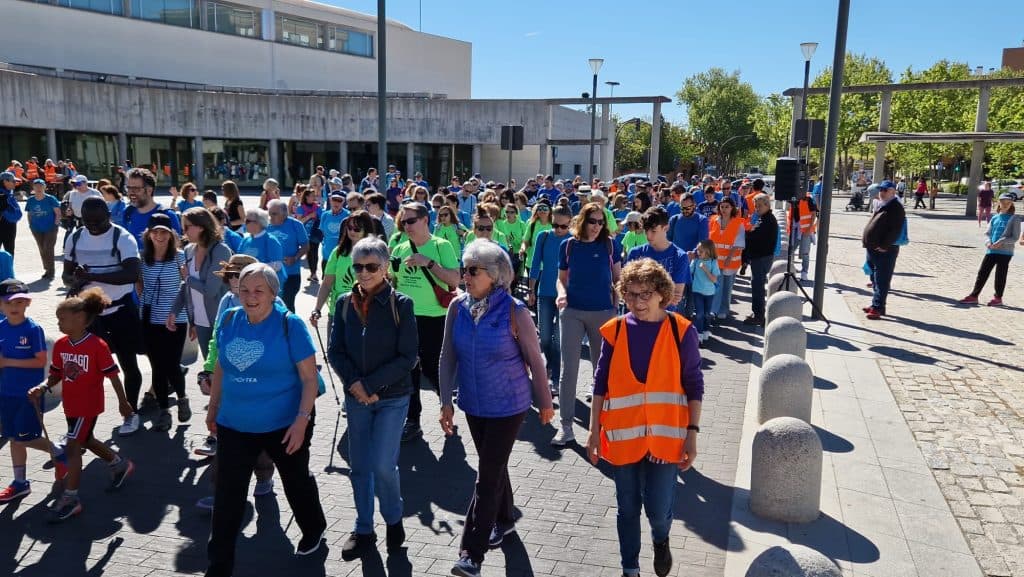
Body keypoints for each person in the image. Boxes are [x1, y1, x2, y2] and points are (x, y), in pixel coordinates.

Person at [439, 240, 554, 576]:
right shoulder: (457, 308)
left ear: (495, 274)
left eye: (473, 270)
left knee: (487, 476)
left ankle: (470, 554)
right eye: (464, 269)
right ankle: (503, 519)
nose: (465, 275)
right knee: (495, 465)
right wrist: (446, 401)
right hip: (474, 404)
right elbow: (448, 356)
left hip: (509, 404)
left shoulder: (515, 310)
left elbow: (535, 359)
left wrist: (545, 402)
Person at [205, 263, 327, 576]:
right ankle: (218, 566)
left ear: (273, 293)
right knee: (228, 495)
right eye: (244, 290)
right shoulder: (230, 319)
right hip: (235, 423)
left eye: (259, 290)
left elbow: (309, 379)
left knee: (295, 479)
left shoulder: (290, 324)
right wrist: (213, 406)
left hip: (284, 423)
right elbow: (220, 367)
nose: (250, 296)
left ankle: (313, 528)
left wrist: (301, 420)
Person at [585, 258, 703, 577]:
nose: (638, 302)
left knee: (659, 510)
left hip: (667, 439)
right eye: (632, 294)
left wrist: (692, 433)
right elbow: (600, 382)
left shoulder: (682, 332)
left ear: (662, 294)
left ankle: (661, 539)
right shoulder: (616, 329)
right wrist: (594, 431)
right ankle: (630, 568)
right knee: (627, 507)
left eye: (646, 294)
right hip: (623, 436)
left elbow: (694, 384)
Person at [327, 237, 419, 561]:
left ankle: (394, 521)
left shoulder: (401, 304)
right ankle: (364, 528)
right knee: (359, 467)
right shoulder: (342, 303)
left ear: (384, 268)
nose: (363, 273)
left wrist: (372, 384)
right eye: (358, 266)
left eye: (371, 267)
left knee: (383, 466)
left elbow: (409, 356)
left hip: (392, 397)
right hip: (357, 398)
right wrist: (355, 384)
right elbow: (335, 350)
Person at [30, 287, 135, 522]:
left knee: (73, 447)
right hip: (71, 405)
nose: (58, 323)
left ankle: (71, 497)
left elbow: (113, 376)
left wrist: (123, 402)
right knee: (86, 439)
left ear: (79, 319)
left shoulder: (98, 346)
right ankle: (119, 464)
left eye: (62, 319)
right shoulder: (61, 345)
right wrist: (43, 387)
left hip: (88, 405)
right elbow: (56, 374)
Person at [62, 197, 146, 435]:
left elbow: (131, 273)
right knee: (88, 368)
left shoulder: (122, 237)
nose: (93, 226)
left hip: (121, 309)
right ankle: (81, 423)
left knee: (128, 363)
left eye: (98, 221)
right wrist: (75, 280)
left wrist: (92, 278)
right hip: (90, 313)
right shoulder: (76, 237)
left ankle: (131, 413)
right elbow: (66, 277)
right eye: (88, 222)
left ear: (108, 215)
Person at [390, 202, 461, 441]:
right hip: (406, 317)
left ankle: (446, 404)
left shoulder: (442, 245)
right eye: (403, 222)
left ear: (424, 220)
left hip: (435, 317)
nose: (407, 226)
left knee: (432, 367)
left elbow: (455, 279)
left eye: (411, 221)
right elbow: (393, 282)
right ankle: (413, 420)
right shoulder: (399, 248)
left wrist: (428, 263)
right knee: (409, 369)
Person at [553, 202, 621, 447]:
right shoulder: (568, 245)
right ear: (583, 221)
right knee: (568, 370)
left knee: (601, 371)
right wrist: (561, 294)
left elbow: (618, 278)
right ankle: (566, 427)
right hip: (572, 312)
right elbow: (560, 279)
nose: (596, 226)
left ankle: (601, 427)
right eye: (592, 221)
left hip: (603, 312)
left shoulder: (610, 245)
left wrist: (618, 299)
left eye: (601, 222)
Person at [0, 280, 68, 504]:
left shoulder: (33, 329)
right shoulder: (1, 328)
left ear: (27, 303)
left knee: (26, 437)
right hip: (6, 393)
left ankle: (58, 451)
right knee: (13, 437)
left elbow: (40, 362)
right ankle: (20, 483)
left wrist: (7, 361)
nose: (14, 306)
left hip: (28, 394)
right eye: (9, 302)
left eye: (20, 301)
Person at [138, 213, 189, 431]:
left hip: (176, 318)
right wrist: (143, 300)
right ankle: (163, 410)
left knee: (171, 363)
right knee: (157, 366)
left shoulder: (179, 256)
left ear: (171, 235)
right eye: (155, 231)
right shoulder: (142, 258)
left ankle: (183, 397)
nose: (159, 236)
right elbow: (139, 283)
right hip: (150, 318)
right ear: (148, 234)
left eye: (164, 232)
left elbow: (188, 284)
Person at [173, 207, 231, 361]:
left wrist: (188, 278)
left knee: (222, 372)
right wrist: (174, 312)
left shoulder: (221, 251)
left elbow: (210, 290)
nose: (183, 231)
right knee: (209, 372)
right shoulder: (188, 250)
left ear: (201, 227)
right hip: (200, 322)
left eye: (187, 227)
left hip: (221, 322)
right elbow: (186, 287)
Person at [528, 205, 572, 398]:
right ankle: (546, 372)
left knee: (558, 340)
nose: (559, 230)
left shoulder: (574, 240)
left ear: (570, 224)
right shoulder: (543, 236)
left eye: (563, 226)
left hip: (566, 296)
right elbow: (536, 262)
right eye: (555, 225)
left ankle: (554, 379)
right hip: (544, 292)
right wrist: (531, 289)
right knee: (544, 337)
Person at [311, 210, 374, 336]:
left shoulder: (375, 252)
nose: (352, 231)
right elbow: (327, 284)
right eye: (349, 227)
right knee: (334, 354)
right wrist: (317, 309)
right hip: (338, 312)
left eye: (357, 229)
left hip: (365, 314)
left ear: (366, 229)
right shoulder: (338, 252)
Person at [959, 193, 1021, 307]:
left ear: (1011, 204)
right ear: (999, 203)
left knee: (1000, 274)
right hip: (991, 250)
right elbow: (987, 233)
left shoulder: (1015, 218)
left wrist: (1001, 242)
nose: (1005, 204)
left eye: (1008, 202)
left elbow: (1015, 237)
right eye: (1003, 202)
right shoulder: (995, 217)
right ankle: (974, 296)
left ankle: (998, 298)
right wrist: (988, 242)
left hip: (1005, 252)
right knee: (982, 272)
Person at [626, 207, 689, 313]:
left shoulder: (680, 256)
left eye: (653, 231)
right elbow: (629, 291)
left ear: (666, 228)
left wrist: (642, 294)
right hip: (637, 316)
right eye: (646, 230)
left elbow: (675, 297)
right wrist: (662, 294)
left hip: (664, 317)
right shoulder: (635, 253)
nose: (648, 235)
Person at [862, 180, 906, 320]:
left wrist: (885, 245)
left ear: (893, 191)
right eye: (881, 190)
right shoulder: (882, 204)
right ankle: (876, 304)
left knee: (882, 279)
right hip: (873, 248)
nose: (881, 192)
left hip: (885, 250)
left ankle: (878, 307)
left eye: (885, 190)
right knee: (874, 278)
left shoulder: (895, 207)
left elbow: (895, 230)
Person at [742, 193, 779, 326]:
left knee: (757, 287)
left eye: (759, 206)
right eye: (755, 206)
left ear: (767, 205)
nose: (756, 208)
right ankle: (757, 312)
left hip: (762, 258)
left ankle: (759, 316)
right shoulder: (763, 218)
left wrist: (744, 233)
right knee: (756, 286)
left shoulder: (768, 220)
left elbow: (755, 236)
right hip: (759, 257)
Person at [266, 199, 309, 312]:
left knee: (286, 306)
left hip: (290, 274)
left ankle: (289, 327)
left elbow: (305, 246)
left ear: (284, 213)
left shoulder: (296, 225)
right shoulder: (266, 226)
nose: (271, 217)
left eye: (274, 214)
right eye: (269, 213)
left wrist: (295, 258)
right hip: (269, 274)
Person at [123, 168, 182, 247]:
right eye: (128, 188)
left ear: (149, 190)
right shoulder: (127, 213)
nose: (131, 192)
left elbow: (176, 249)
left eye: (136, 189)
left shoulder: (167, 215)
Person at [709, 197, 744, 320]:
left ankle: (724, 309)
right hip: (715, 260)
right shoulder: (714, 220)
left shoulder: (738, 223)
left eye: (727, 207)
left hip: (731, 261)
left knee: (727, 287)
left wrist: (729, 257)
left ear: (732, 208)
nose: (724, 209)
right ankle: (714, 310)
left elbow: (738, 243)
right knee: (717, 285)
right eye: (722, 207)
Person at [237, 207, 286, 292]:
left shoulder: (271, 241)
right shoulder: (245, 240)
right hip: (249, 286)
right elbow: (238, 260)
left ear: (258, 223)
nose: (244, 224)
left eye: (247, 221)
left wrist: (253, 268)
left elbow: (277, 265)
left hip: (267, 288)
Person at [25, 178, 62, 279]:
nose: (38, 188)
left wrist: (55, 225)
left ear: (45, 187)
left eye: (41, 186)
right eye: (36, 186)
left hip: (50, 228)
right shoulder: (31, 200)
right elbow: (29, 213)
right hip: (36, 229)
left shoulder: (50, 199)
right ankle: (47, 269)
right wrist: (30, 225)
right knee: (42, 249)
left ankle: (51, 271)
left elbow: (58, 213)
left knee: (48, 248)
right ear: (33, 187)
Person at [689, 240, 719, 343]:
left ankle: (706, 330)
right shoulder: (696, 261)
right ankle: (699, 335)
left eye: (701, 251)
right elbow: (689, 272)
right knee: (699, 314)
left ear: (709, 251)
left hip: (709, 292)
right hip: (697, 291)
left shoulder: (713, 262)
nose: (698, 252)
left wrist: (706, 270)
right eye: (698, 250)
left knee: (707, 314)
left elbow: (714, 279)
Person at [787, 190, 818, 282]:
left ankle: (804, 273)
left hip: (805, 230)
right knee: (791, 250)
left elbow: (813, 214)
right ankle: (791, 269)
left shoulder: (809, 199)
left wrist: (809, 228)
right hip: (795, 229)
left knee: (805, 253)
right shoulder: (793, 199)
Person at [319, 191, 351, 273]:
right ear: (330, 200)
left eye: (339, 200)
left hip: (341, 254)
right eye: (334, 199)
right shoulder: (325, 215)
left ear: (343, 202)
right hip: (327, 253)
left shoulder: (348, 215)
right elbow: (322, 232)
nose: (336, 202)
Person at [0, 171, 24, 256]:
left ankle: (8, 269)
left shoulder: (8, 192)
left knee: (10, 251)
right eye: (13, 181)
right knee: (9, 251)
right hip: (4, 226)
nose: (15, 183)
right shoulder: (2, 195)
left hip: (10, 226)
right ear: (5, 182)